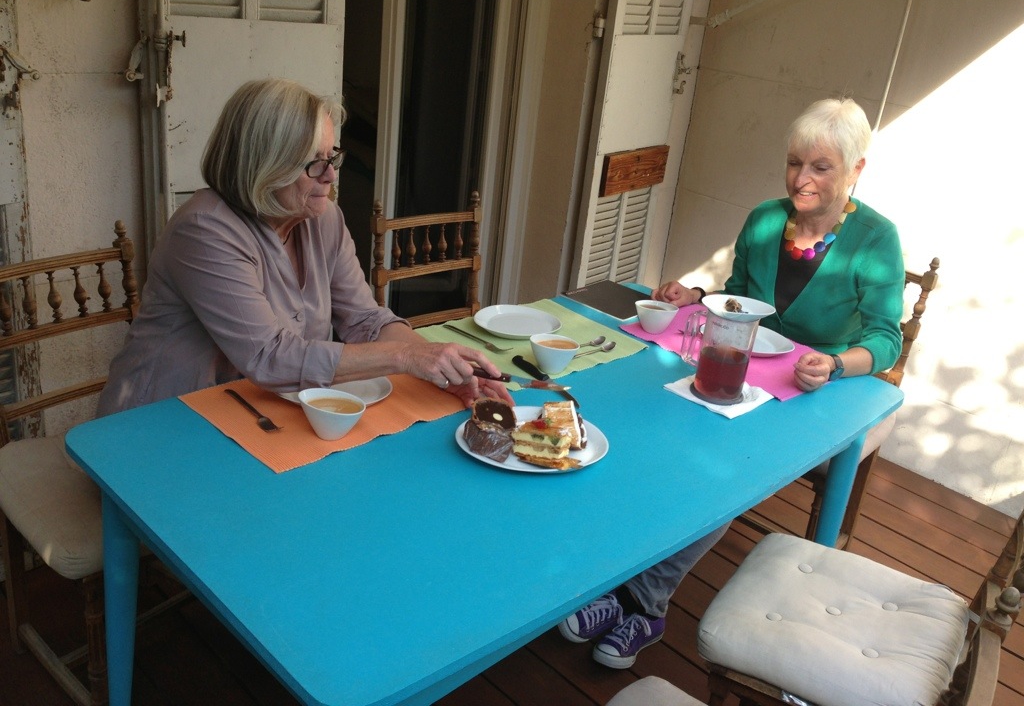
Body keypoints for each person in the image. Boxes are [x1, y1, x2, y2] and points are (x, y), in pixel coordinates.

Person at [558, 97, 904, 669]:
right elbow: (739, 293)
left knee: (723, 474)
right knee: (653, 424)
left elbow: (886, 339)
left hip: (815, 391)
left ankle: (644, 601)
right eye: (794, 162)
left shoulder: (876, 238)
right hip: (741, 371)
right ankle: (613, 565)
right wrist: (696, 296)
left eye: (821, 167)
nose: (801, 179)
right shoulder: (766, 219)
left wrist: (836, 364)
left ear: (855, 170)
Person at [97, 78, 510, 417]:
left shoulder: (322, 219)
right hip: (163, 421)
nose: (331, 175)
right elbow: (270, 357)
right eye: (313, 162)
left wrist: (443, 365)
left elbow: (365, 320)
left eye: (332, 157)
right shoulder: (205, 230)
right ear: (263, 165)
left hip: (255, 411)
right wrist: (405, 358)